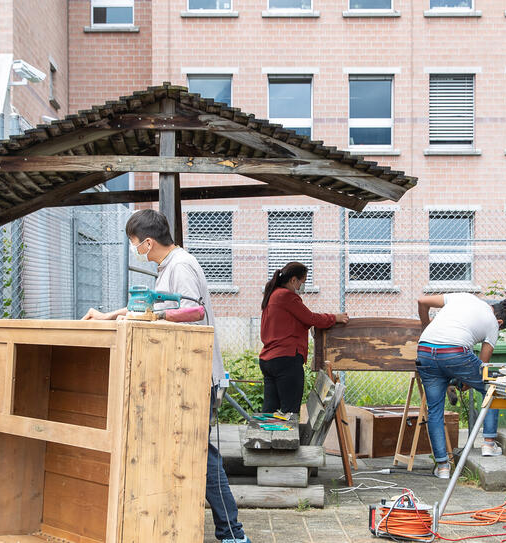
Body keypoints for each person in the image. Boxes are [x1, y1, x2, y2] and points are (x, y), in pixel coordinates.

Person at [82, 209, 249, 543]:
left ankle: (233, 532)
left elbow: (192, 311)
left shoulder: (181, 266)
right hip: (180, 376)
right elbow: (152, 308)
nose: (134, 250)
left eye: (134, 243)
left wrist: (149, 318)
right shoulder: (167, 267)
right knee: (192, 453)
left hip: (196, 377)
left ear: (147, 242)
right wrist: (111, 316)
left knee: (200, 455)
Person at [416, 293, 506, 479]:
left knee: (435, 410)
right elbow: (483, 368)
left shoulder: (464, 297)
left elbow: (422, 301)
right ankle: (488, 443)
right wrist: (465, 384)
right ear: (500, 322)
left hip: (425, 350)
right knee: (491, 387)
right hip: (454, 352)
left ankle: (443, 467)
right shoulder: (493, 324)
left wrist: (424, 326)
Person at [259, 262, 349, 414]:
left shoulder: (273, 295)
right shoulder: (287, 296)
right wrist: (335, 318)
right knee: (289, 412)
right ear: (294, 280)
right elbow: (311, 318)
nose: (303, 286)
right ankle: (287, 438)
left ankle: (267, 437)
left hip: (269, 360)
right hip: (286, 360)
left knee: (270, 410)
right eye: (303, 282)